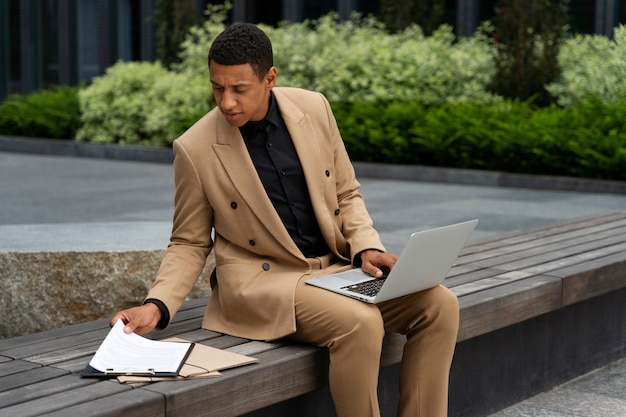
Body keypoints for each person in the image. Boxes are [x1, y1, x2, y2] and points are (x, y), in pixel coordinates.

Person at [111, 23, 459, 417]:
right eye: (217, 87)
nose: (226, 102)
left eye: (238, 88)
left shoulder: (314, 108)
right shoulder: (195, 148)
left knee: (439, 303)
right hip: (264, 284)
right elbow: (189, 241)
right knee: (360, 322)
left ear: (269, 78)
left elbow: (346, 193)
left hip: (334, 271)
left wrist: (367, 247)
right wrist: (156, 307)